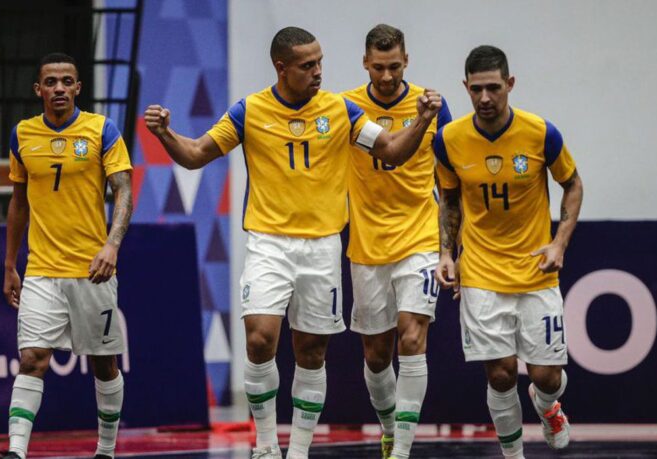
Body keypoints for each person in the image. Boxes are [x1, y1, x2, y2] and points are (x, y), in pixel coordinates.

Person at [144, 26, 442, 459]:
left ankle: (298, 450)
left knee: (311, 351)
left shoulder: (341, 111)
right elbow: (195, 155)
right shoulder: (249, 111)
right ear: (281, 68)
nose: (319, 71)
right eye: (308, 65)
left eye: (320, 62)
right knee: (260, 338)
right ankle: (266, 446)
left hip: (322, 247)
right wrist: (165, 134)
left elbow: (393, 151)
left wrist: (423, 120)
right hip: (268, 243)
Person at [433, 45, 583, 459]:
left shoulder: (541, 133)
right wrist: (447, 254)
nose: (485, 98)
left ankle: (548, 405)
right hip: (481, 272)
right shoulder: (448, 140)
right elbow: (448, 199)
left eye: (493, 88)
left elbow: (572, 184)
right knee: (499, 374)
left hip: (535, 269)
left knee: (546, 375)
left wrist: (559, 243)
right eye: (476, 89)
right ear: (465, 87)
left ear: (510, 85)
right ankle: (512, 455)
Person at [0, 53, 133, 459]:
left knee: (105, 364)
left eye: (66, 81)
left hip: (93, 271)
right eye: (50, 82)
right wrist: (9, 264)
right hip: (42, 271)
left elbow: (123, 190)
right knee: (33, 358)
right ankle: (16, 452)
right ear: (38, 90)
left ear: (78, 88)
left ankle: (105, 450)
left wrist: (112, 245)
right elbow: (19, 202)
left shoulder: (102, 130)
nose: (58, 89)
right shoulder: (22, 135)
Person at [341, 24, 451, 459]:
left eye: (395, 66)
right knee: (375, 353)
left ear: (407, 61)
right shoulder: (347, 106)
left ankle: (402, 449)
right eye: (379, 67)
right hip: (367, 244)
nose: (387, 76)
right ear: (365, 63)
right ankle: (389, 427)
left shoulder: (432, 106)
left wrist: (448, 249)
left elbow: (449, 182)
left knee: (412, 337)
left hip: (419, 238)